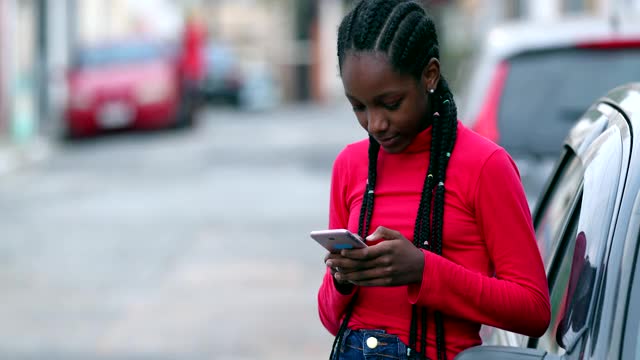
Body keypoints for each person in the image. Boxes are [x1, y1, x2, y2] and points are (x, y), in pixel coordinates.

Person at [316, 1, 551, 359]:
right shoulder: (350, 165)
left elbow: (533, 309)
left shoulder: (485, 166)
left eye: (390, 103)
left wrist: (424, 270)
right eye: (359, 106)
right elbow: (332, 319)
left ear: (429, 75)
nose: (375, 123)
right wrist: (342, 279)